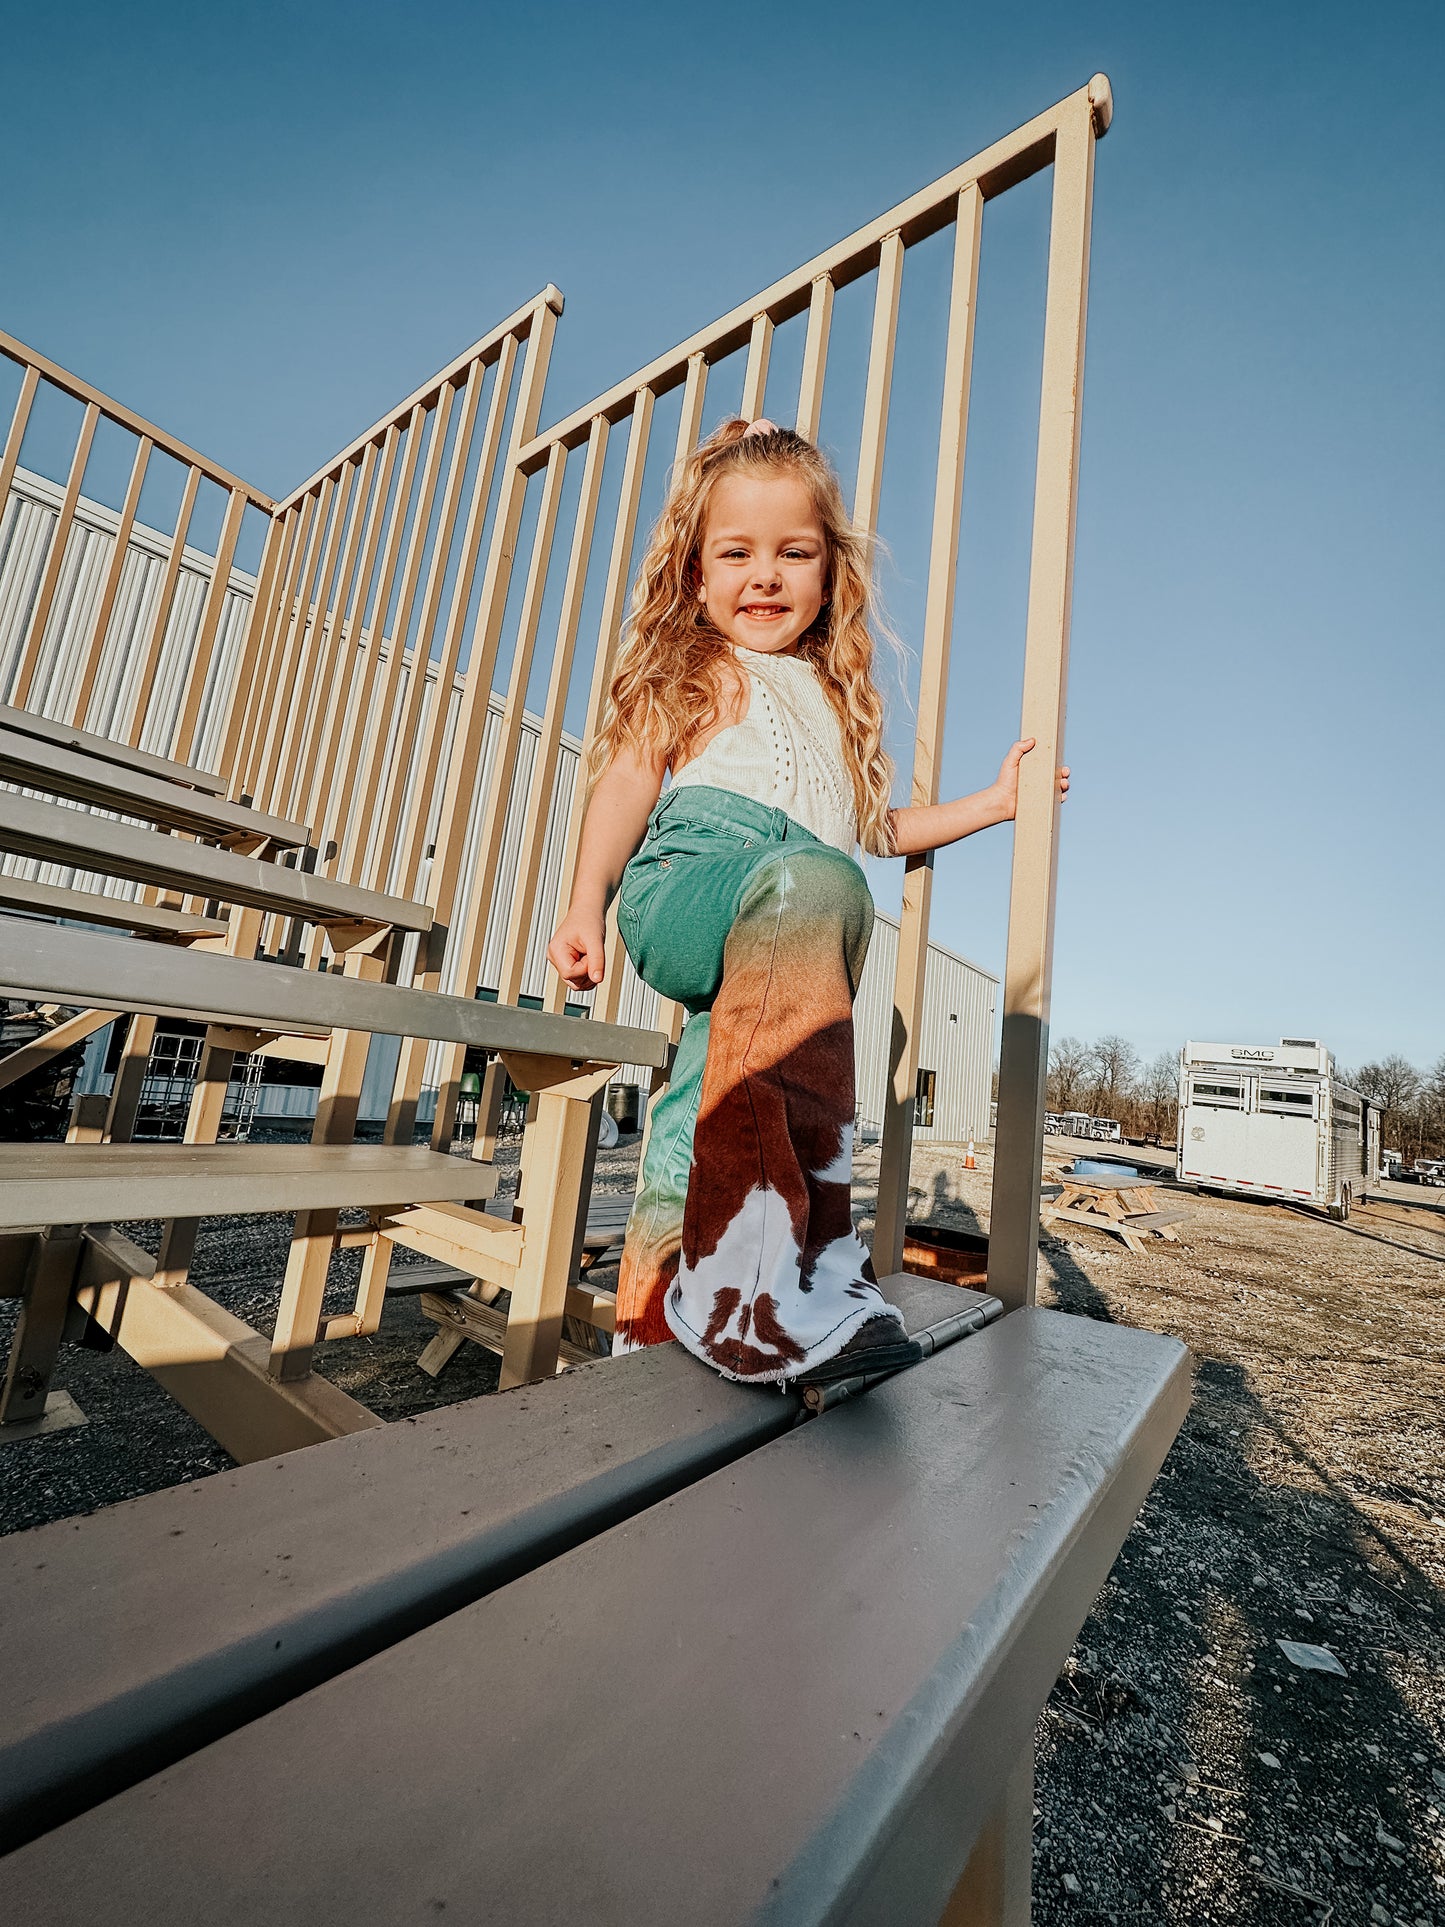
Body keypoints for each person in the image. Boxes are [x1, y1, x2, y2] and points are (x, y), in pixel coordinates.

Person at [548, 417, 1067, 1387]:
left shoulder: (834, 703)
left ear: (830, 573)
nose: (763, 576)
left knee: (736, 1079)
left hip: (793, 924)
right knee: (818, 884)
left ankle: (660, 1315)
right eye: (735, 552)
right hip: (690, 878)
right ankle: (758, 1285)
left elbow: (879, 828)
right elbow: (624, 780)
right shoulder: (694, 667)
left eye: (794, 553)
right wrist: (586, 897)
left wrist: (994, 805)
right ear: (695, 574)